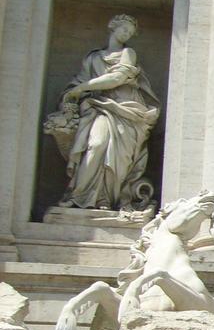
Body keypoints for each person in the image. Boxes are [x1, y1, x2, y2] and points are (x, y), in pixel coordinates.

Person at [54, 14, 160, 210]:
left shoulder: (128, 53)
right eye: (124, 29)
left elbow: (117, 78)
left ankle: (105, 199)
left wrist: (82, 88)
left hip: (125, 109)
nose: (127, 34)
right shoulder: (93, 58)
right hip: (98, 107)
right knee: (96, 145)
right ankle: (79, 196)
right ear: (113, 27)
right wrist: (73, 92)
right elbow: (77, 82)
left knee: (116, 155)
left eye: (130, 32)